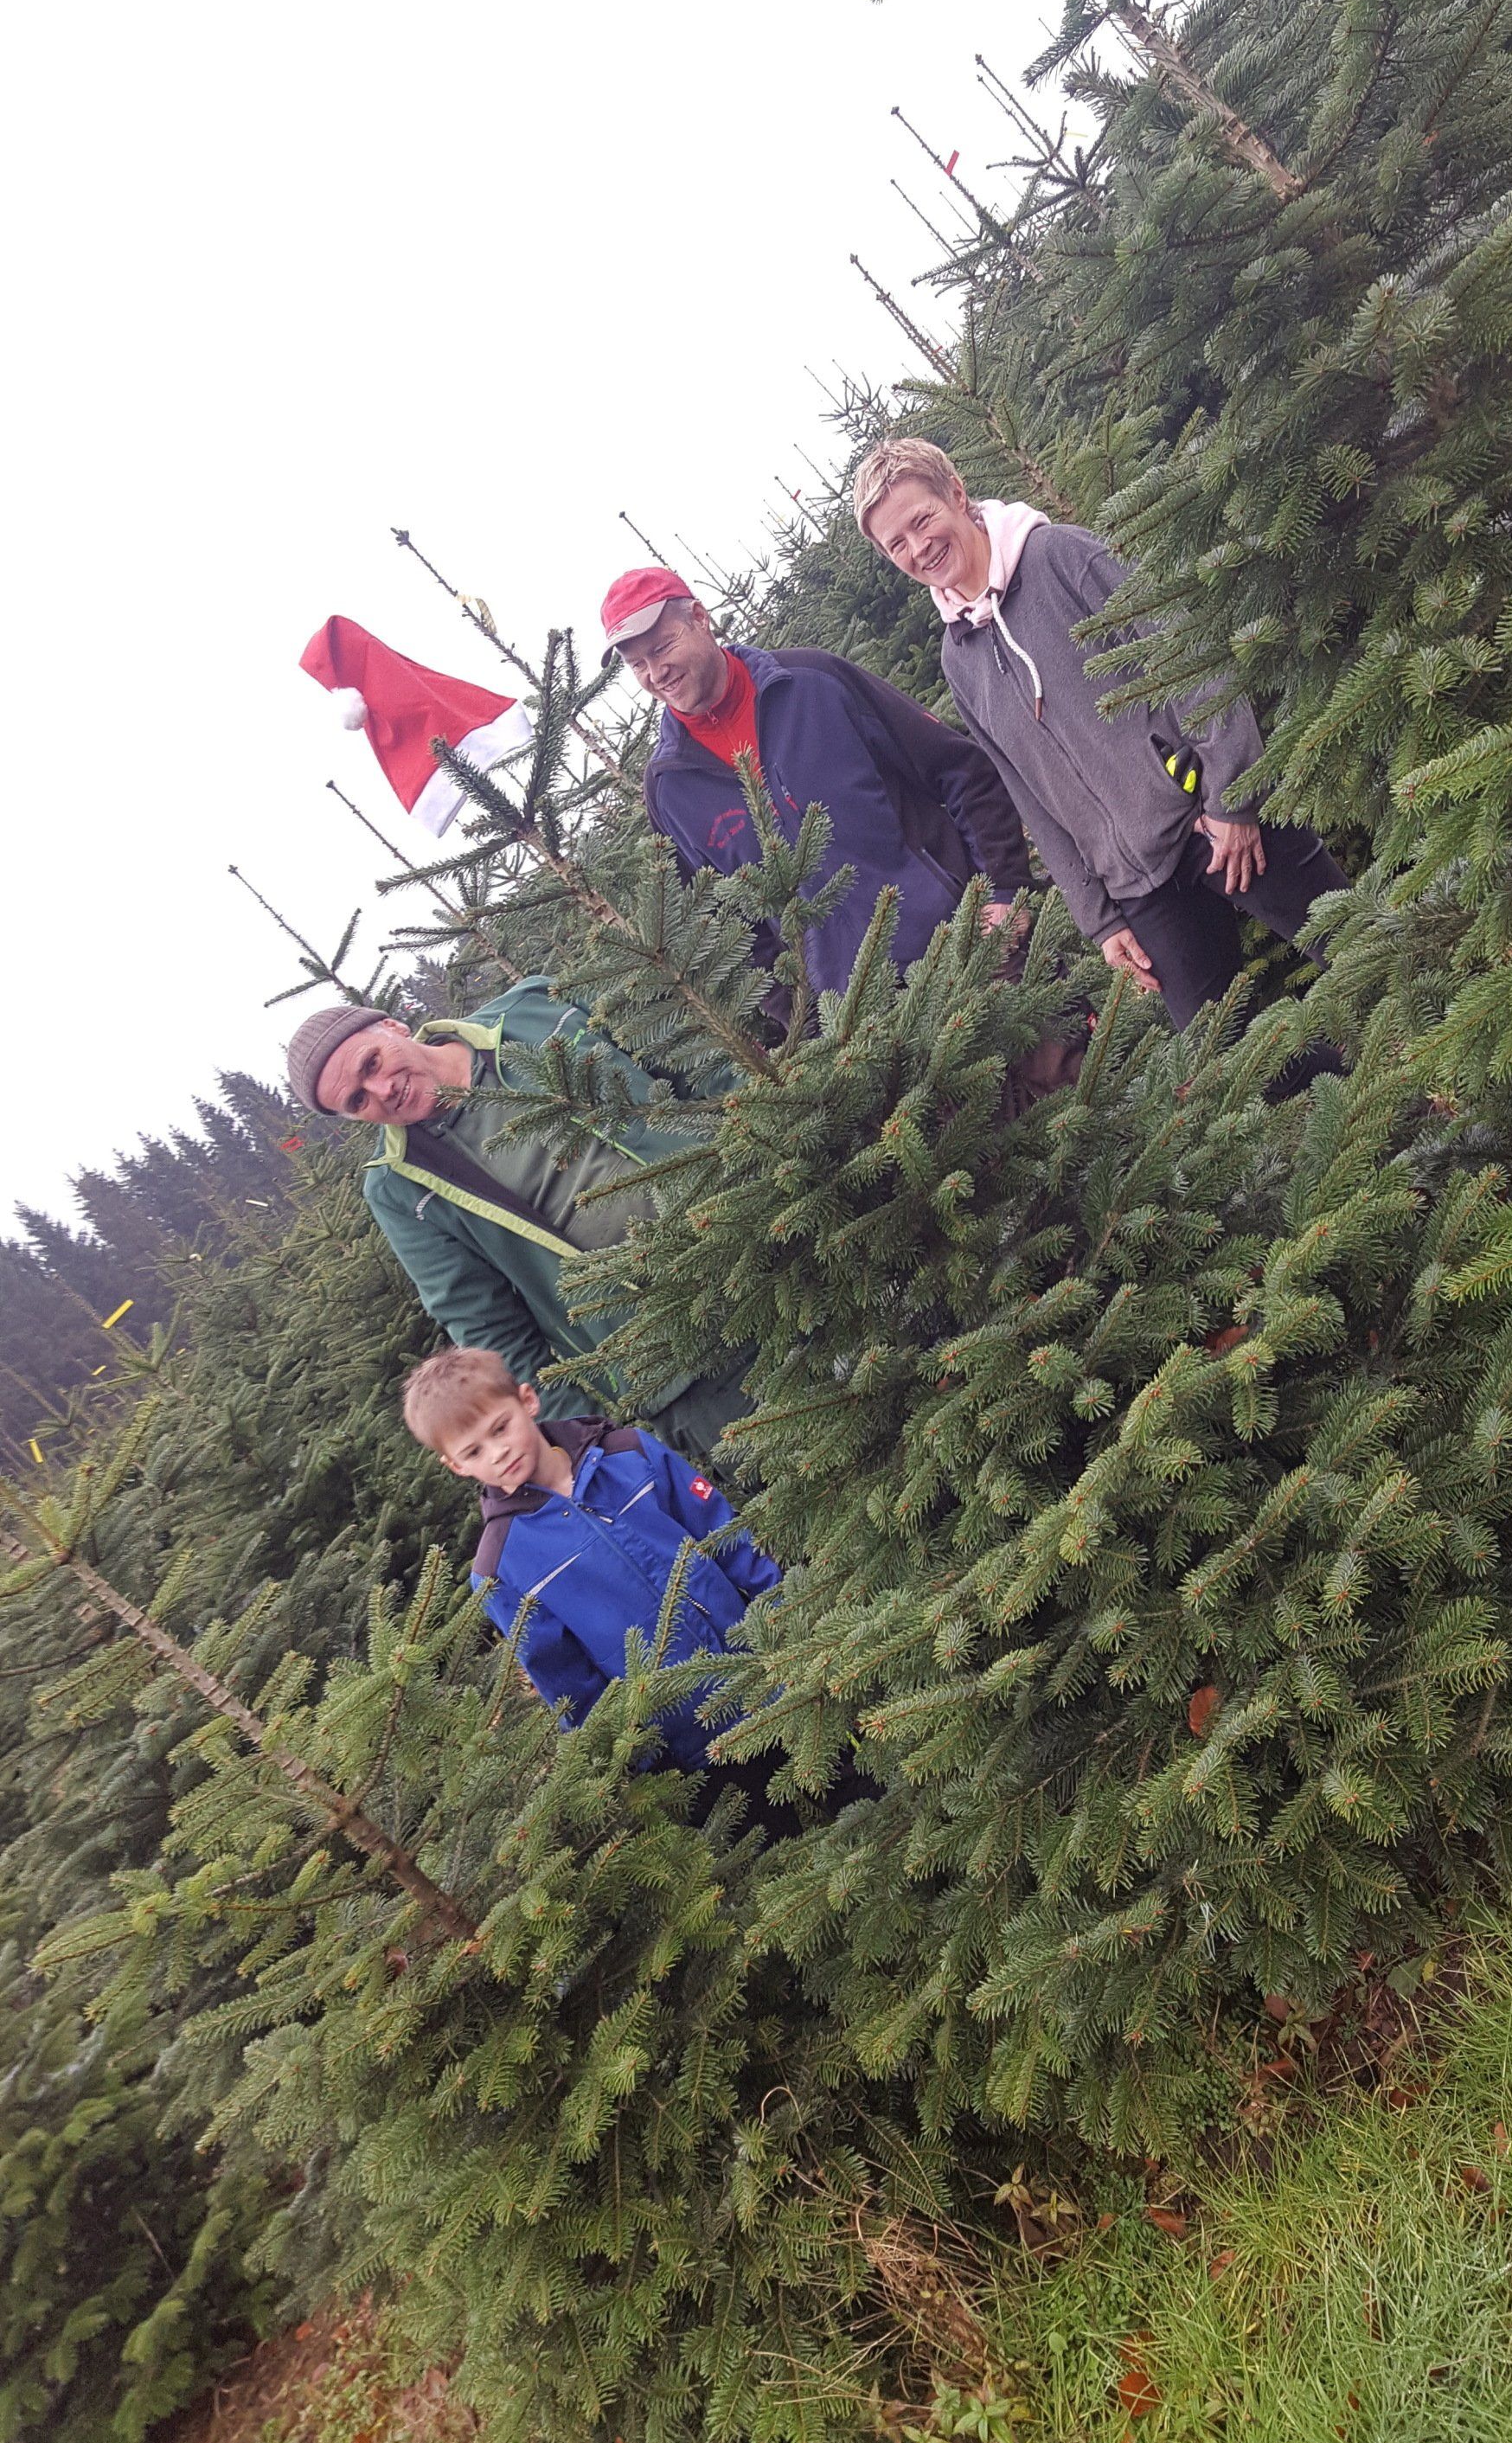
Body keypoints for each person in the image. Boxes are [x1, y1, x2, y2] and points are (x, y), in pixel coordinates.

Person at [854, 439, 1349, 1040]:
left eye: (921, 520)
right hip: (1135, 882)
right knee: (1220, 1057)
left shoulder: (1061, 556)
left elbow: (1183, 651)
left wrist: (1233, 795)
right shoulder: (958, 659)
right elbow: (1026, 790)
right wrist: (1099, 917)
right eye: (896, 544)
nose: (918, 548)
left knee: (1353, 945)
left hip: (1212, 818)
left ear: (957, 494)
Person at [285, 978, 741, 1460]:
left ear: (394, 1027)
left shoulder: (534, 1010)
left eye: (372, 1063)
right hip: (679, 1365)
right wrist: (582, 1445)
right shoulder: (399, 1189)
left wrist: (776, 1129)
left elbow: (694, 1061)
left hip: (760, 1214)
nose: (381, 1090)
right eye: (357, 1100)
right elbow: (490, 1328)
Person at [602, 565, 1034, 1000]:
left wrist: (1004, 888)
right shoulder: (669, 789)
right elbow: (724, 932)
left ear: (700, 617)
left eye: (662, 647)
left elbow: (957, 768)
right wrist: (802, 1021)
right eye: (637, 664)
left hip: (973, 943)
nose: (656, 673)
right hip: (856, 1022)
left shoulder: (815, 681)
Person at [401, 1344, 781, 1785]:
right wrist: (642, 1764)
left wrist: (783, 1609)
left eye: (501, 1428)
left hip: (773, 1666)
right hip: (696, 1752)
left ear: (527, 1400)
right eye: (473, 1452)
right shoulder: (500, 1567)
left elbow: (724, 1533)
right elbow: (564, 1680)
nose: (497, 1453)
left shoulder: (628, 1453)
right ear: (455, 1465)